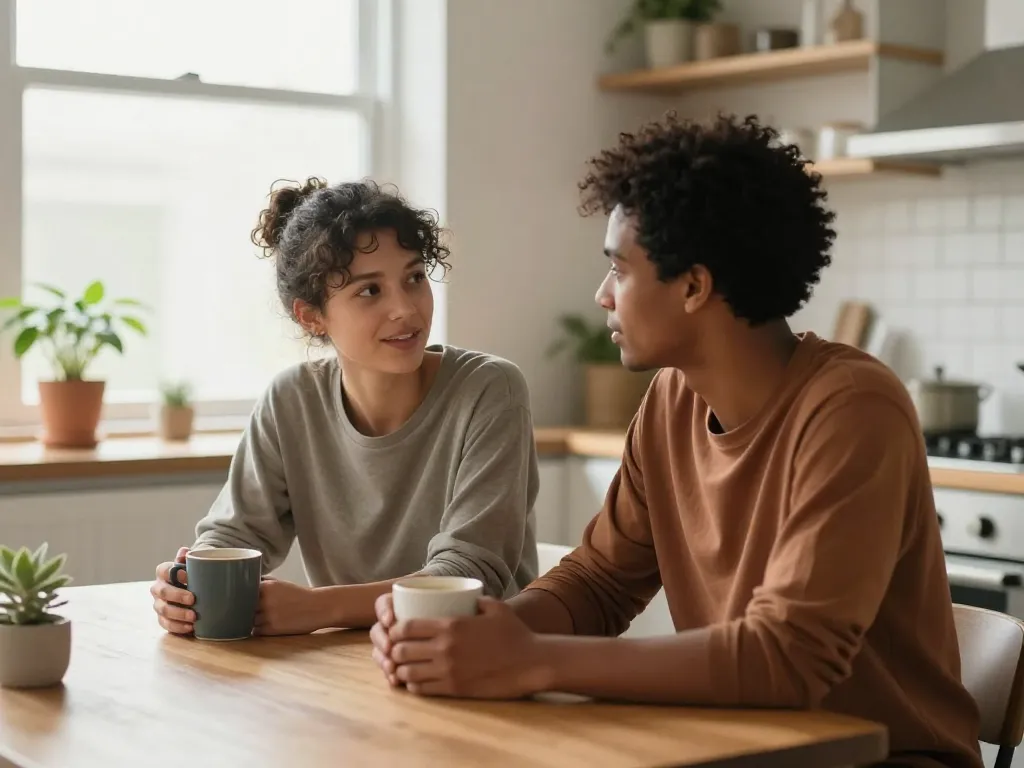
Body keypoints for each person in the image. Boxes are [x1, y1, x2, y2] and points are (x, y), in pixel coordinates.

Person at [370, 114, 983, 768]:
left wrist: (534, 661)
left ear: (694, 285)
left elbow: (789, 658)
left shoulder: (852, 408)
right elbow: (600, 583)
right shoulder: (672, 400)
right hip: (739, 747)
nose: (602, 295)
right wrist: (480, 637)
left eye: (619, 270)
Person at [149, 178, 538, 637]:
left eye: (414, 278)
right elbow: (234, 536)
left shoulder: (489, 389)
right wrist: (186, 590)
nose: (406, 310)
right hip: (345, 668)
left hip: (475, 659)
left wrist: (319, 608)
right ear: (312, 316)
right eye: (370, 291)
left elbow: (470, 575)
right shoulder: (291, 400)